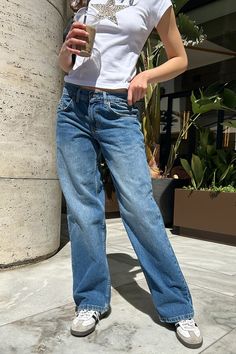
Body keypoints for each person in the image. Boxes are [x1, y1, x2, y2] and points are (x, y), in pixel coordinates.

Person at [56, 0, 203, 349]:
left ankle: (177, 306)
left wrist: (145, 76)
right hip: (72, 107)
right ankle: (91, 300)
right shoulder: (86, 1)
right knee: (82, 210)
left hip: (117, 110)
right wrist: (65, 51)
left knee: (140, 207)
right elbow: (67, 65)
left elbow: (180, 58)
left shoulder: (154, 2)